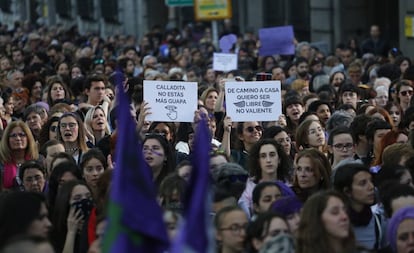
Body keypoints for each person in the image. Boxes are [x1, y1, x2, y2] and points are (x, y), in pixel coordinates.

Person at [334, 163, 386, 250]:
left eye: (371, 181)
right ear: (347, 191)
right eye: (363, 183)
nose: (371, 187)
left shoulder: (379, 222)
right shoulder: (332, 224)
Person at [238, 138, 292, 216]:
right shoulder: (250, 185)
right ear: (258, 161)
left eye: (272, 155)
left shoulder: (289, 182)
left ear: (279, 159)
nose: (268, 160)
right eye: (263, 156)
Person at [51, 180, 94, 253]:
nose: (85, 201)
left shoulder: (99, 228)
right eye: (77, 198)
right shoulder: (54, 236)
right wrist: (71, 232)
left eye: (88, 197)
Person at [0, 121, 39, 189]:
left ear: (28, 138)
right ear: (7, 140)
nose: (18, 138)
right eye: (13, 135)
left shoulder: (38, 160)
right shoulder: (1, 164)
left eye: (22, 135)